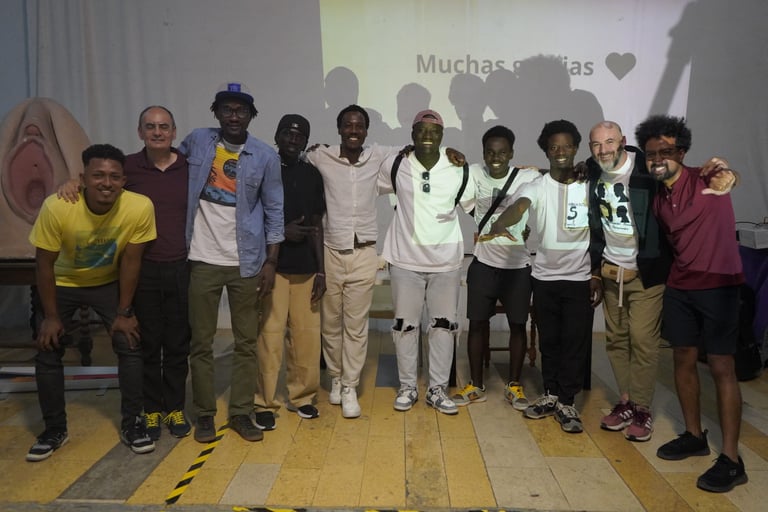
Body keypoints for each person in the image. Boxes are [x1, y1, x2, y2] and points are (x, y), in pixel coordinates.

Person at [635, 114, 747, 493]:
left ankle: (731, 459)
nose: (657, 159)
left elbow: (727, 175)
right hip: (680, 287)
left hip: (718, 285)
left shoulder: (705, 177)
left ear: (681, 152)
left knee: (721, 366)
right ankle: (695, 436)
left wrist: (729, 175)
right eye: (651, 153)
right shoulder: (658, 197)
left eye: (665, 152)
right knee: (681, 358)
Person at [26, 144, 157, 461]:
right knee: (48, 348)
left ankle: (133, 423)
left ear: (124, 180)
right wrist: (51, 316)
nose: (106, 183)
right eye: (98, 175)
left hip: (106, 283)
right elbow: (43, 264)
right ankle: (54, 430)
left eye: (114, 176)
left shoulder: (139, 207)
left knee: (129, 341)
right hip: (61, 283)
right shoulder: (57, 207)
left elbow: (131, 262)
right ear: (82, 178)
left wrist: (124, 312)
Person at [181, 82, 284, 443]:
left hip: (247, 262)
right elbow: (166, 168)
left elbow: (274, 210)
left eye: (241, 110)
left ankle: (240, 412)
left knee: (246, 342)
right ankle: (205, 414)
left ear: (251, 116)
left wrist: (271, 262)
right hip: (202, 259)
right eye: (227, 109)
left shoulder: (265, 155)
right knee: (201, 342)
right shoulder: (197, 141)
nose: (234, 116)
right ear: (217, 113)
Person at [485, 120, 602, 433]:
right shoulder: (537, 185)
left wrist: (597, 273)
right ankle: (550, 393)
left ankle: (567, 401)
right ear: (546, 151)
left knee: (574, 342)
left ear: (576, 149)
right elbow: (520, 206)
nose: (560, 152)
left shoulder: (588, 184)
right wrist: (502, 222)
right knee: (550, 340)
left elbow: (601, 228)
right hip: (545, 277)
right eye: (554, 147)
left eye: (566, 146)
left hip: (579, 277)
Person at [378, 110, 475, 416]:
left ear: (442, 136)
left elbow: (476, 207)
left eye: (434, 131)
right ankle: (408, 387)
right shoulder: (397, 163)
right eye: (421, 130)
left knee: (443, 327)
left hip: (446, 263)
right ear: (412, 134)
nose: (428, 136)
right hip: (404, 260)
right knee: (405, 327)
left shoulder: (458, 167)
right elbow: (365, 179)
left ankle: (437, 389)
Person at [585, 121, 671, 441]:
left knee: (643, 341)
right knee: (617, 340)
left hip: (646, 273)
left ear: (622, 141)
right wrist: (595, 270)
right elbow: (594, 226)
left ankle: (642, 409)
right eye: (597, 144)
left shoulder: (647, 170)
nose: (604, 150)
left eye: (609, 142)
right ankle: (626, 402)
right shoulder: (592, 172)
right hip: (612, 271)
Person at [452, 125, 539, 409]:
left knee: (518, 325)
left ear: (512, 153)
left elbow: (553, 177)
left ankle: (514, 384)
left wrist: (538, 168)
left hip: (518, 266)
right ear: (483, 153)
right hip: (483, 263)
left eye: (502, 153)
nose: (496, 158)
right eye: (490, 152)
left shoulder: (527, 176)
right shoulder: (475, 173)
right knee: (477, 324)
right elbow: (454, 177)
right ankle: (476, 385)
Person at [253, 114, 326, 430]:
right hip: (273, 268)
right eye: (288, 133)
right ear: (277, 135)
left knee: (306, 338)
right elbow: (251, 217)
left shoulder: (312, 174)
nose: (293, 139)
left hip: (307, 269)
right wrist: (282, 232)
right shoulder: (263, 168)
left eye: (300, 136)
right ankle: (264, 401)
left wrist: (322, 271)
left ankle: (302, 397)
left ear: (306, 141)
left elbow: (317, 224)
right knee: (270, 338)